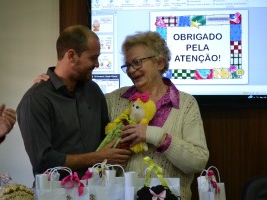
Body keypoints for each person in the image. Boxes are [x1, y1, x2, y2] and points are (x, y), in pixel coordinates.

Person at [33, 30, 209, 200]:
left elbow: (198, 161)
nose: (132, 70)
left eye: (137, 62)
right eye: (128, 65)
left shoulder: (185, 104)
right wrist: (49, 85)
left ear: (160, 63)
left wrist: (153, 135)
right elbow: (73, 102)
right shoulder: (114, 100)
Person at [17, 25, 131, 179]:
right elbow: (42, 160)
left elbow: (105, 138)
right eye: (92, 58)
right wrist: (96, 157)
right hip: (56, 194)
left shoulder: (94, 91)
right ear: (71, 55)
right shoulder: (36, 99)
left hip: (98, 191)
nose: (97, 64)